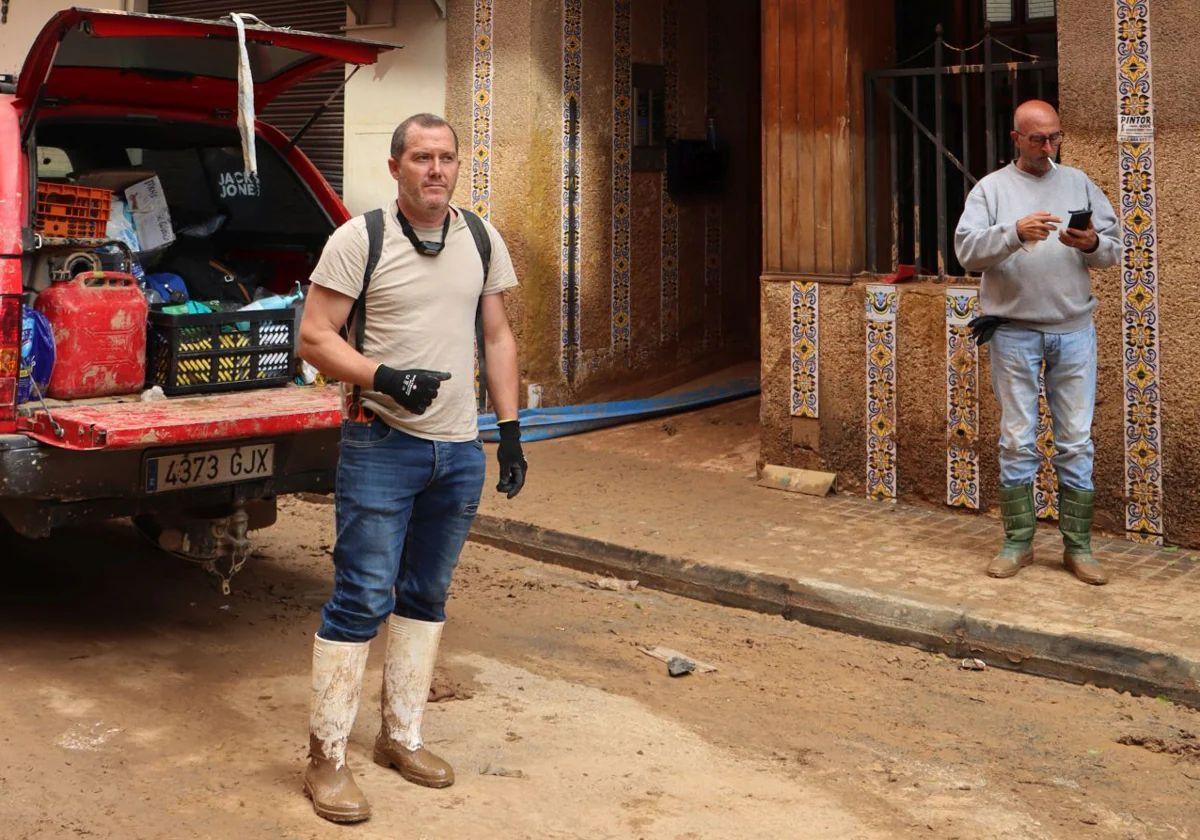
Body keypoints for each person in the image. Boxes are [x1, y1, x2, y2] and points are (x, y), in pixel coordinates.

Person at [297, 113, 527, 823]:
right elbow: (313, 336)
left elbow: (496, 335)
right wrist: (383, 376)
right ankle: (326, 757)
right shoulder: (359, 239)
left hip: (458, 450)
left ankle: (401, 736)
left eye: (447, 158)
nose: (436, 169)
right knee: (364, 597)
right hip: (380, 443)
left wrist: (511, 429)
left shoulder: (481, 238)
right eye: (421, 157)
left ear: (459, 166)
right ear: (395, 166)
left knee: (426, 595)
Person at [954, 99, 1120, 586]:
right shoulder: (992, 189)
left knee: (1075, 441)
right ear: (1016, 139)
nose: (1048, 147)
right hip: (1014, 334)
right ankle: (1018, 543)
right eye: (1037, 139)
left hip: (1073, 332)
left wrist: (1090, 244)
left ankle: (1078, 547)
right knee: (1017, 439)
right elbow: (966, 251)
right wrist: (1012, 233)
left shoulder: (1078, 181)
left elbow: (1112, 250)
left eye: (1054, 138)